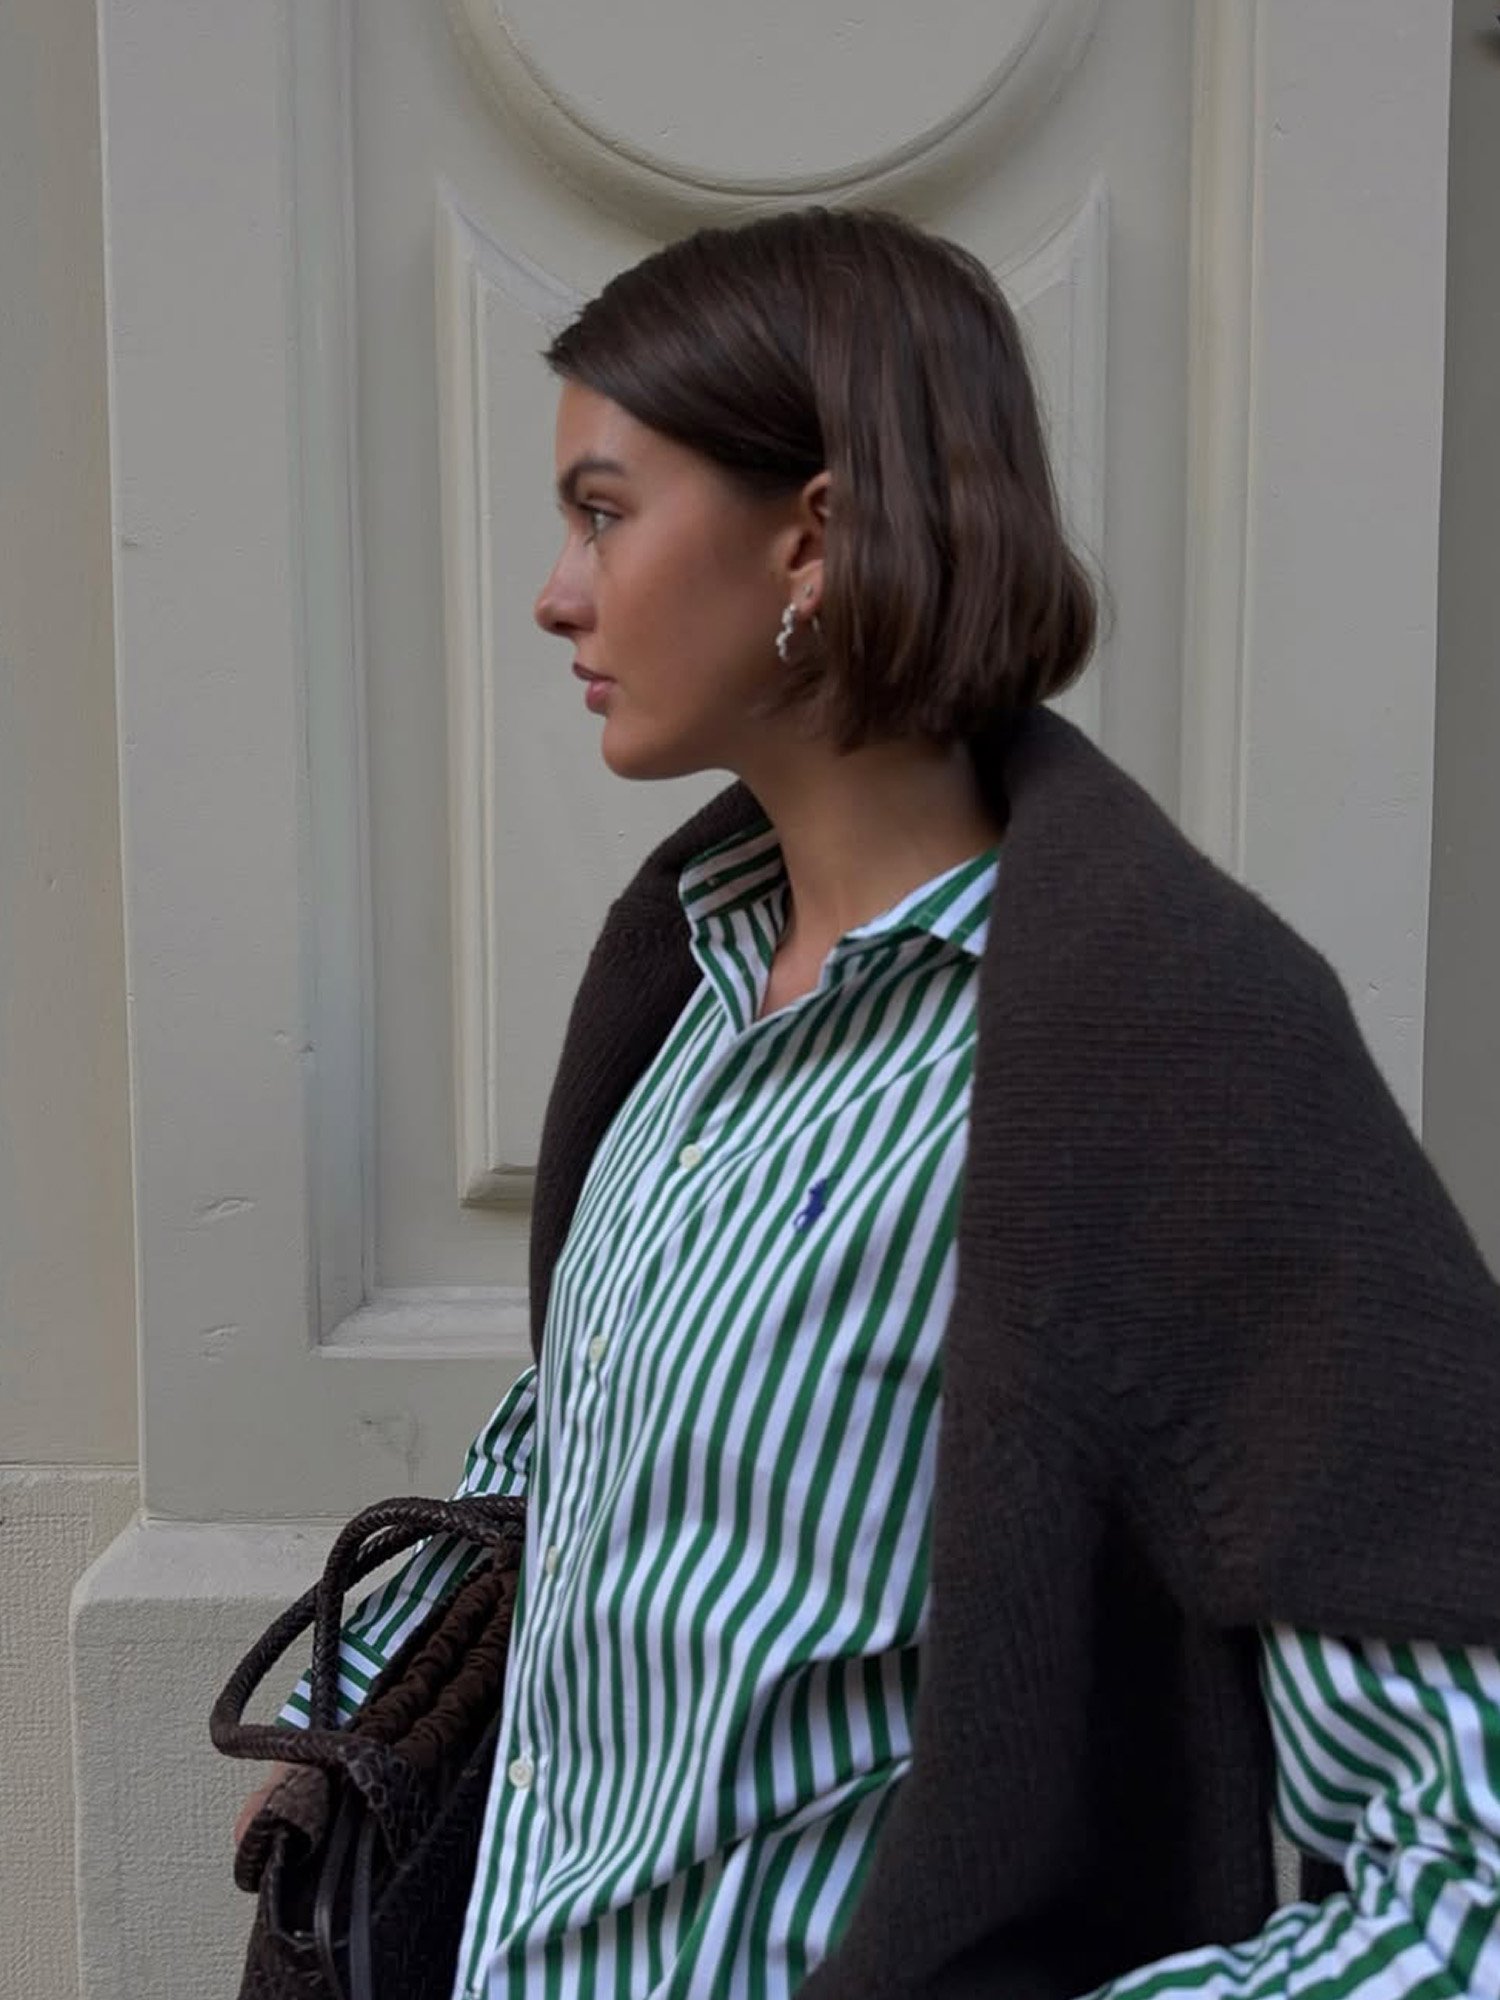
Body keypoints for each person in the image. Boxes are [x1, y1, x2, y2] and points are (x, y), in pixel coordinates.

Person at [242, 208, 1500, 1998]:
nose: (556, 590)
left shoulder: (1174, 1045)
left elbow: (1468, 1875)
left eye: (603, 510)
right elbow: (595, 1505)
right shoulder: (681, 992)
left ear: (810, 540)